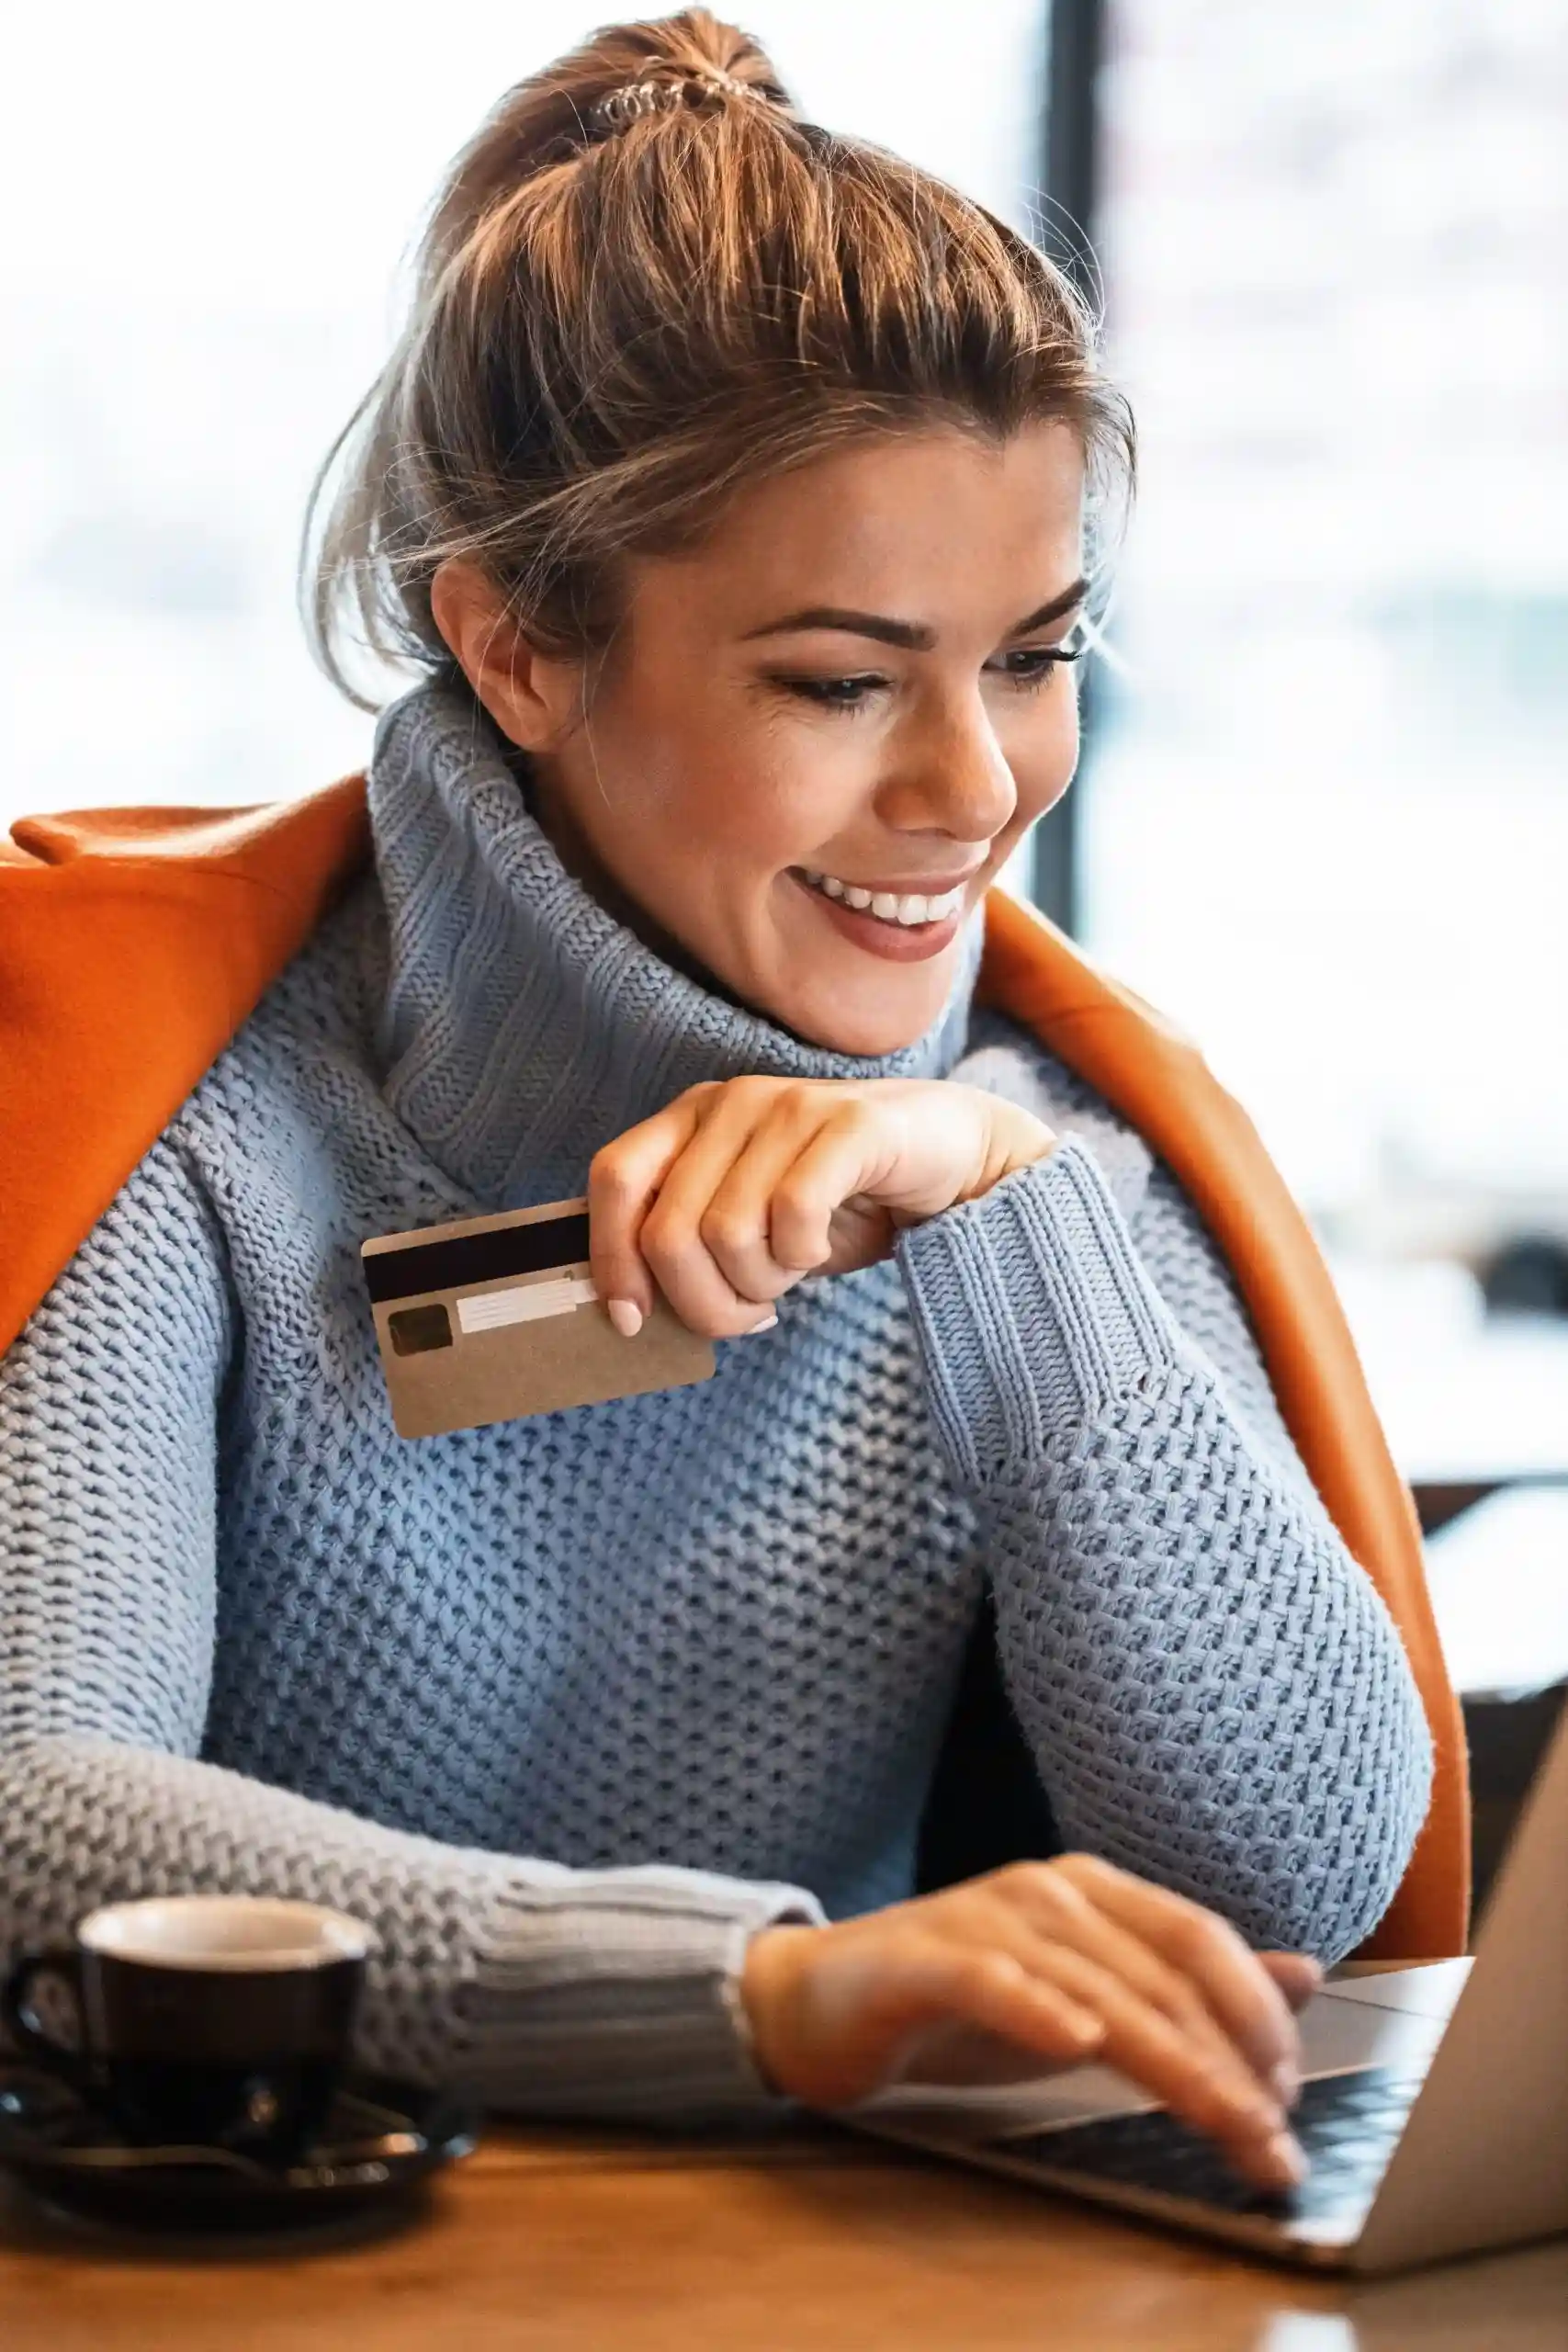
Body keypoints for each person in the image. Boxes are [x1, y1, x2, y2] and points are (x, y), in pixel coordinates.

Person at [0, 10, 1435, 2193]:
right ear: (517, 647)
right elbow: (28, 1809)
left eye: (1036, 651)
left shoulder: (1049, 1160)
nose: (977, 789)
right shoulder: (185, 1132)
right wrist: (758, 1997)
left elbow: (1296, 1878)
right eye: (842, 679)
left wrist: (991, 1197)